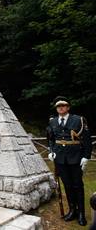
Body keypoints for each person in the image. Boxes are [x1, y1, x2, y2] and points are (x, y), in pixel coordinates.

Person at [47, 96, 92, 226]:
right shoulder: (53, 121)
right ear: (56, 109)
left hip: (75, 157)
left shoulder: (78, 120)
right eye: (58, 106)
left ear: (68, 107)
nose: (60, 107)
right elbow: (50, 137)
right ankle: (72, 210)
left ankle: (81, 213)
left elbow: (86, 139)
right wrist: (50, 150)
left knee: (77, 185)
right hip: (60, 159)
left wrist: (86, 156)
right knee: (67, 185)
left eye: (63, 105)